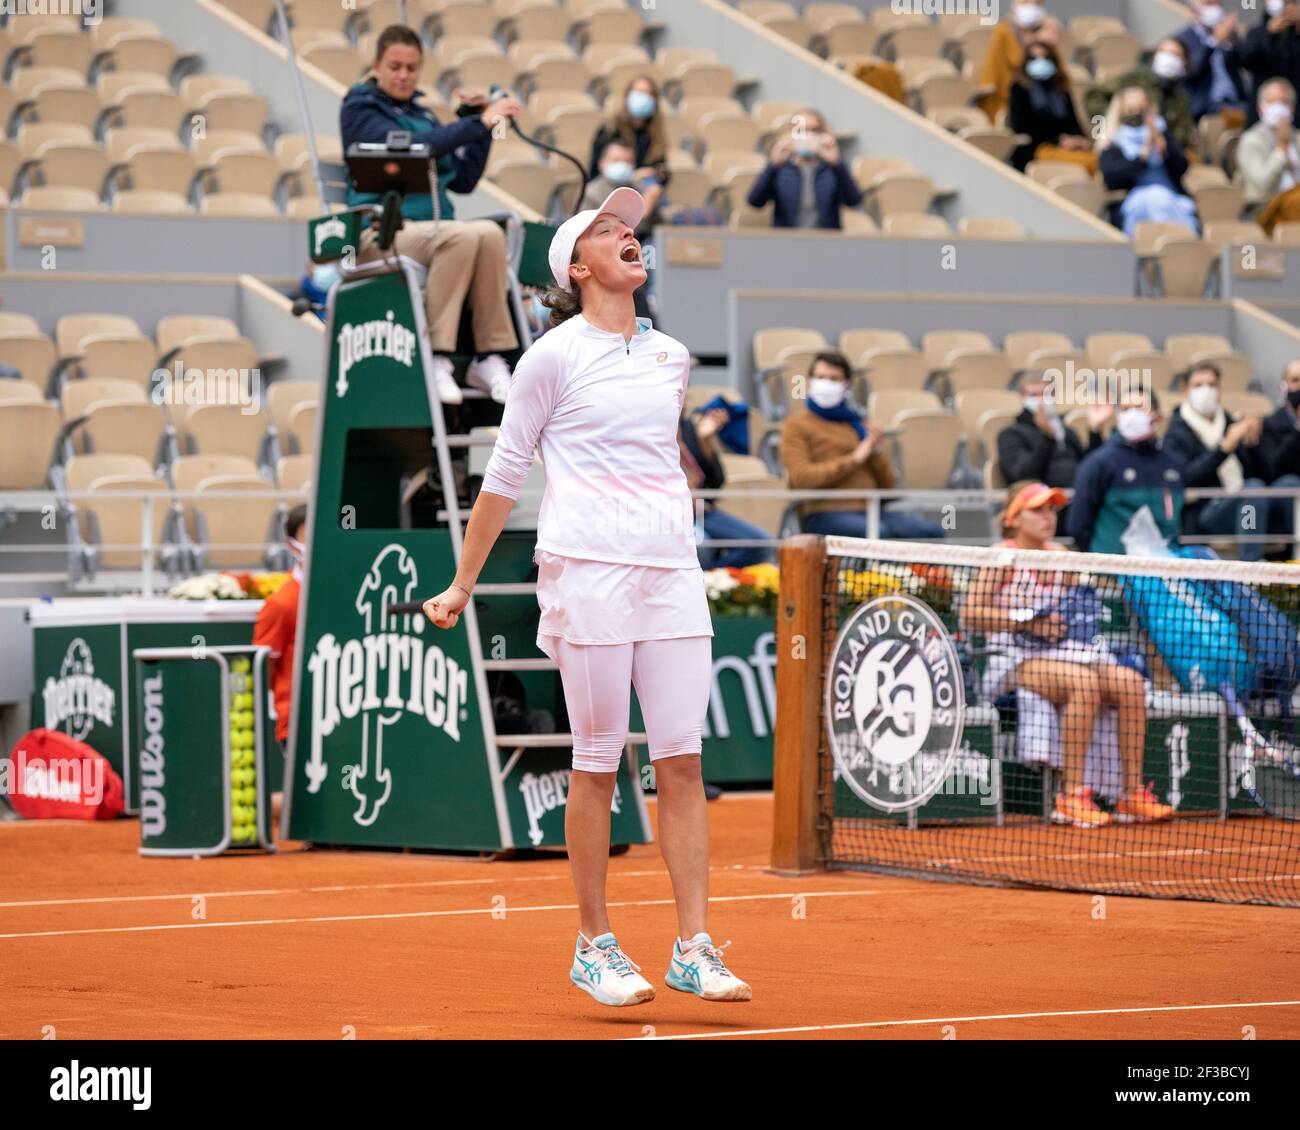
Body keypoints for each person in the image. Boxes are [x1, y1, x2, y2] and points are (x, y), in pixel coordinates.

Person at [421, 187, 750, 1007]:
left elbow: (660, 456)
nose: (627, 236)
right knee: (599, 763)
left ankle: (694, 946)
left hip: (670, 572)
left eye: (630, 227)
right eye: (608, 230)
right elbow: (505, 474)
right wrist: (464, 580)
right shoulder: (550, 358)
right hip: (588, 574)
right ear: (577, 265)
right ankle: (594, 944)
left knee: (681, 761)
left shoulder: (672, 357)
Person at [962, 481, 1173, 828]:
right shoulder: (1002, 557)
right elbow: (971, 613)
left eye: (1052, 510)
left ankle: (1130, 793)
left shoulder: (1063, 557)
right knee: (1084, 683)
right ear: (1013, 519)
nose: (1048, 517)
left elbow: (1081, 608)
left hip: (1064, 652)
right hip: (1011, 658)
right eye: (1038, 510)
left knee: (1131, 683)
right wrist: (1026, 623)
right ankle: (1072, 795)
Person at [341, 24, 523, 405]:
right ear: (376, 65)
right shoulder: (360, 108)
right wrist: (478, 121)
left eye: (412, 67)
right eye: (395, 66)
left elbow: (464, 180)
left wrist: (479, 123)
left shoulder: (423, 113)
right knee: (460, 235)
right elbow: (417, 148)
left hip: (432, 232)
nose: (404, 75)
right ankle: (438, 356)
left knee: (489, 232)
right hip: (382, 233)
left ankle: (487, 355)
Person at [780, 351, 945, 540]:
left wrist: (874, 450)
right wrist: (854, 458)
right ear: (809, 382)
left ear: (846, 386)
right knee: (878, 532)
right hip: (824, 512)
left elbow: (888, 487)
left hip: (871, 510)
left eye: (834, 379)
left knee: (931, 532)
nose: (826, 384)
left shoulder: (856, 424)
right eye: (821, 378)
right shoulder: (797, 425)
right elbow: (802, 478)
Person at [1166, 362, 1296, 560]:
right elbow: (1184, 478)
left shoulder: (1230, 422)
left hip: (1248, 511)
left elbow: (1264, 475)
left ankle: (1292, 557)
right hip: (1208, 512)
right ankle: (1250, 568)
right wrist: (1224, 448)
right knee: (1252, 489)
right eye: (1198, 385)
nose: (1206, 391)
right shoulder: (1176, 432)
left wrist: (1252, 445)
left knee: (1290, 484)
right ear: (1185, 390)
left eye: (1212, 385)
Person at [1068, 389, 1185, 554]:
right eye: (1125, 409)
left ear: (1157, 416)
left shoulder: (1173, 465)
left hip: (1163, 568)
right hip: (1113, 569)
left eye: (1139, 407)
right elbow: (1078, 525)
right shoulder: (1099, 463)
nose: (1132, 414)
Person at [996, 372, 1109, 530]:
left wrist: (1095, 431)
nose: (1041, 399)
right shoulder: (1011, 434)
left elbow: (1090, 468)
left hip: (1080, 503)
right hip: (1043, 509)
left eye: (1046, 394)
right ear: (1022, 397)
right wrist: (1046, 437)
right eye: (1034, 395)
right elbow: (1022, 474)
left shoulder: (1067, 432)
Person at [252, 503, 307, 821]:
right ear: (291, 544)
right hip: (294, 720)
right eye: (306, 533)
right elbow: (265, 669)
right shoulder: (280, 604)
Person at [679, 406, 773, 569]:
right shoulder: (648, 431)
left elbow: (716, 483)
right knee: (701, 546)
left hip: (702, 511)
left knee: (762, 544)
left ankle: (715, 584)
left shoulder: (686, 426)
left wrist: (705, 441)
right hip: (671, 514)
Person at [1099, 86, 1198, 238]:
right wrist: (1143, 156)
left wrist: (1164, 149)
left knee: (1167, 201)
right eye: (1131, 110)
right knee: (1156, 198)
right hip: (1135, 201)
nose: (1136, 115)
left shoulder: (1162, 132)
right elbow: (1112, 179)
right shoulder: (1114, 141)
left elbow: (1182, 167)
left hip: (1171, 196)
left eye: (1142, 110)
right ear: (1121, 112)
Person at [581, 139, 663, 318]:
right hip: (609, 257)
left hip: (643, 250)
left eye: (628, 162)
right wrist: (647, 206)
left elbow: (658, 225)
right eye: (617, 160)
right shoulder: (592, 193)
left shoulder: (638, 188)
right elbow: (596, 234)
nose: (623, 166)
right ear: (602, 164)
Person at [745, 108, 863, 229]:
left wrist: (837, 164)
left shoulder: (832, 168)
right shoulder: (781, 168)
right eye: (801, 130)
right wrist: (773, 165)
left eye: (814, 130)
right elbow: (755, 202)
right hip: (788, 241)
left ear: (823, 134)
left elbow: (854, 201)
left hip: (826, 242)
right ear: (791, 133)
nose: (808, 135)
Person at [1084, 38, 1196, 153]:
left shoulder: (1181, 98)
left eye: (1175, 54)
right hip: (1121, 148)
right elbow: (1095, 96)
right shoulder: (1136, 79)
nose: (1169, 58)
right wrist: (1114, 119)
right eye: (1164, 52)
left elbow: (1183, 135)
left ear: (1185, 62)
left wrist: (1164, 141)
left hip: (1157, 154)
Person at [1008, 41, 1095, 173]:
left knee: (1096, 160)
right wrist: (1058, 139)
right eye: (1034, 58)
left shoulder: (1061, 88)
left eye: (1045, 58)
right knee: (1084, 164)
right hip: (1036, 147)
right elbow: (1022, 126)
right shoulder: (1020, 89)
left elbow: (1072, 121)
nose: (1040, 62)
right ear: (1026, 62)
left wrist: (1078, 139)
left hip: (1066, 146)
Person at [977, 0, 1063, 123]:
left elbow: (1056, 73)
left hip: (1044, 100)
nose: (1031, 6)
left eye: (1036, 3)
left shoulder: (1047, 31)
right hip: (1010, 99)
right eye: (1026, 2)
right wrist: (1034, 41)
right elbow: (1016, 65)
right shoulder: (1004, 31)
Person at [1238, 79, 1300, 229]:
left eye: (1284, 102)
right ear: (1261, 108)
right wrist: (1282, 150)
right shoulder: (1251, 140)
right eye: (1272, 102)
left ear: (1292, 108)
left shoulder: (1298, 138)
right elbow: (1263, 186)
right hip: (1264, 210)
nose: (1278, 108)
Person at [589, 74, 670, 187]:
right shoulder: (609, 129)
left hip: (642, 189)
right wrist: (632, 176)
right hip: (609, 188)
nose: (644, 98)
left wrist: (656, 173)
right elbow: (595, 171)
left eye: (649, 94)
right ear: (628, 95)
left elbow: (663, 171)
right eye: (640, 92)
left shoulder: (655, 136)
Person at [1175, 1, 1250, 123]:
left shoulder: (1229, 35)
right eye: (1209, 4)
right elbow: (1193, 71)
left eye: (1218, 5)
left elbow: (1247, 62)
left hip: (1236, 100)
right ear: (1195, 9)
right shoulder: (1183, 39)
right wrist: (1214, 42)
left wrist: (1232, 42)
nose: (1215, 9)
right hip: (1206, 105)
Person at [1241, 0, 1300, 126]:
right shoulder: (1257, 33)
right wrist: (1268, 33)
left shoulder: (1295, 34)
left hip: (1295, 108)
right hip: (1263, 109)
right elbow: (1246, 60)